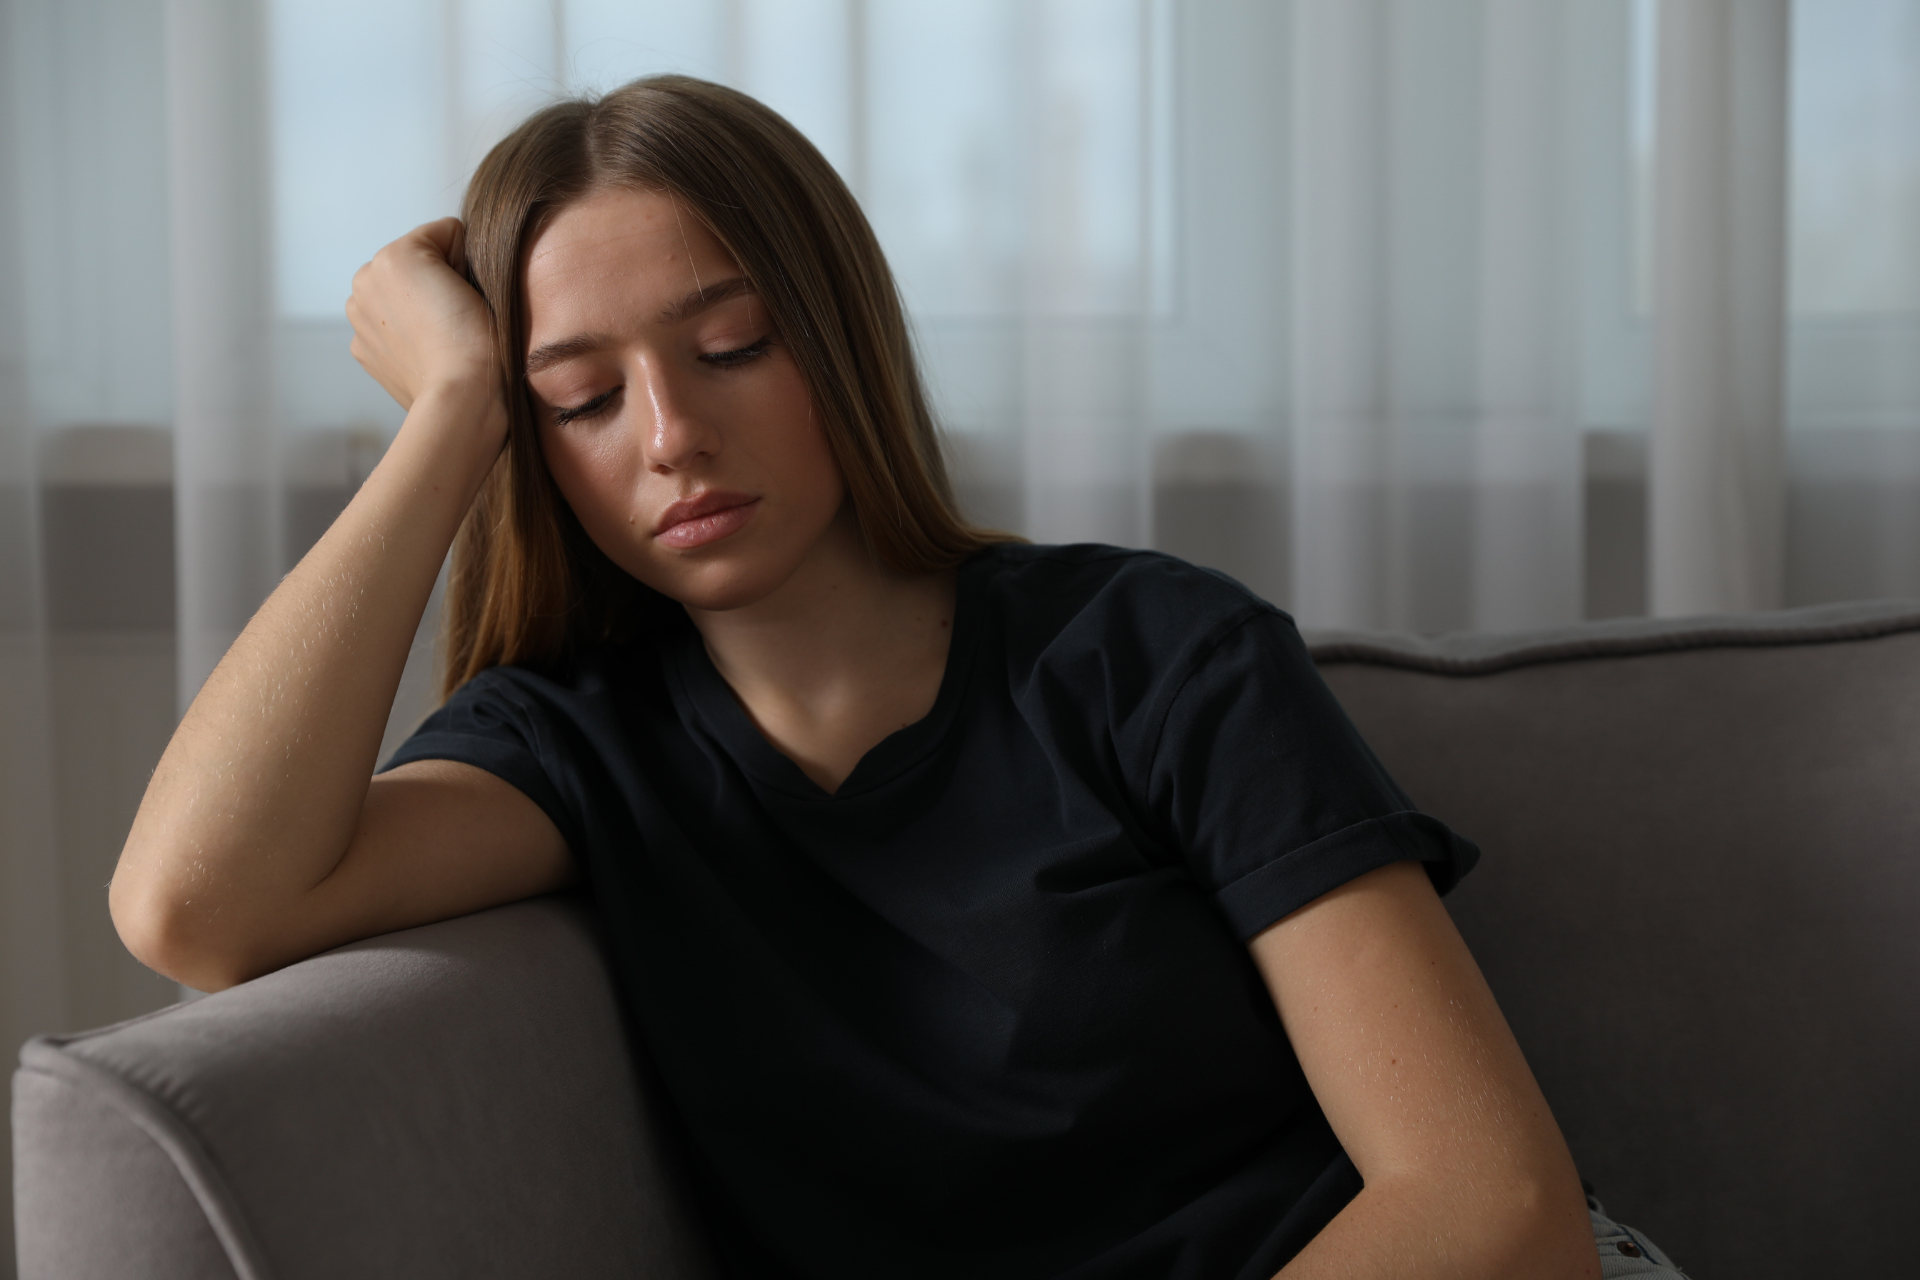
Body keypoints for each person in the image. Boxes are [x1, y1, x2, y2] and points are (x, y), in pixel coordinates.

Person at [110, 75, 1666, 1280]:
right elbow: (196, 907)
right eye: (578, 398)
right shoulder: (582, 752)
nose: (670, 437)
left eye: (729, 347)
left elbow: (1493, 1207)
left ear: (840, 340)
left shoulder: (1151, 656)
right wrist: (449, 412)